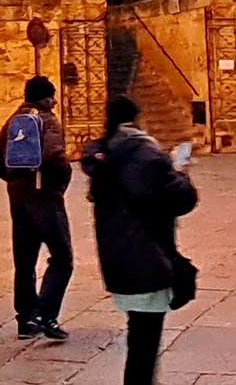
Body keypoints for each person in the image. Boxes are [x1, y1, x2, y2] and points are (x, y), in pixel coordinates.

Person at [82, 96, 197, 385]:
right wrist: (181, 173)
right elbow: (180, 199)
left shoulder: (103, 154)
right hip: (148, 258)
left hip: (117, 259)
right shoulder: (146, 155)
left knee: (140, 338)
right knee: (144, 346)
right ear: (137, 117)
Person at [0, 75, 74, 340]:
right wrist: (55, 185)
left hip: (19, 199)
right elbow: (56, 158)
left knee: (24, 261)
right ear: (46, 97)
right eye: (52, 96)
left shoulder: (14, 120)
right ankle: (45, 314)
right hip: (45, 199)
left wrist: (14, 178)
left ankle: (25, 320)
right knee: (62, 258)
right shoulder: (47, 120)